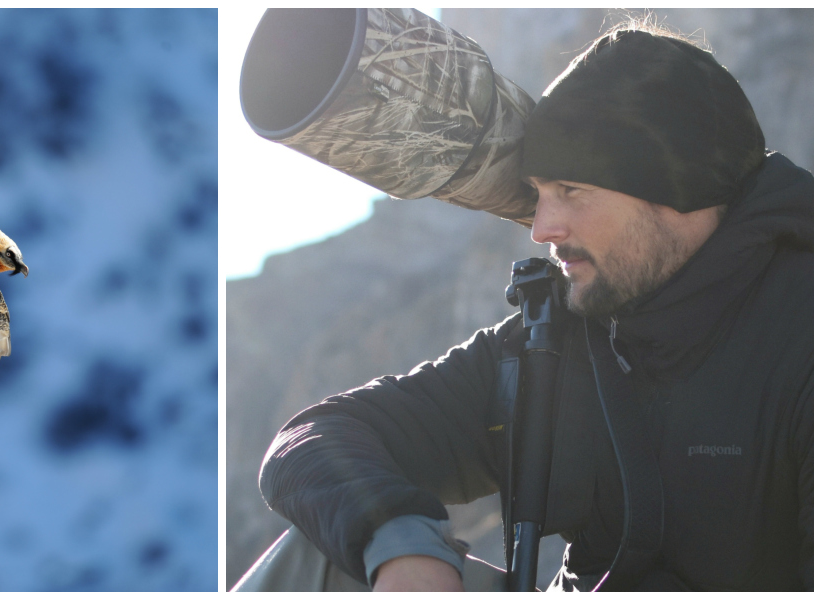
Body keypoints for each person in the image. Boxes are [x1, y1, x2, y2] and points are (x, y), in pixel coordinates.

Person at [257, 24, 813, 592]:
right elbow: (313, 439)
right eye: (538, 193)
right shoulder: (557, 338)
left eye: (571, 190)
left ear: (678, 189)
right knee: (322, 559)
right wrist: (404, 550)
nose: (542, 229)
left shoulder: (803, 335)